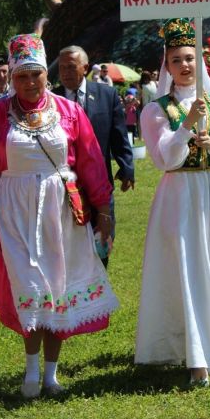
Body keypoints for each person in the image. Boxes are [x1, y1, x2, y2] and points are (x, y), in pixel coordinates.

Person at [0, 33, 119, 398]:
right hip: (14, 211)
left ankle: (50, 375)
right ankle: (31, 373)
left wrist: (102, 208)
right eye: (22, 76)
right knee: (30, 287)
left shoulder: (69, 112)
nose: (29, 82)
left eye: (35, 74)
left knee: (59, 287)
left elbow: (91, 161)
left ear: (45, 75)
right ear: (12, 78)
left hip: (61, 209)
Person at [134, 18, 210, 386]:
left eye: (189, 58)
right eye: (176, 60)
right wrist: (186, 127)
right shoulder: (155, 111)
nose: (184, 65)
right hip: (179, 197)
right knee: (186, 270)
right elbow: (165, 159)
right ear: (166, 66)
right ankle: (194, 357)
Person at [54, 45, 135, 268]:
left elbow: (119, 136)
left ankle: (100, 289)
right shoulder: (51, 99)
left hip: (99, 182)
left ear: (85, 68)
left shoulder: (106, 95)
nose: (66, 73)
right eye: (61, 68)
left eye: (71, 67)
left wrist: (127, 168)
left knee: (102, 239)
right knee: (67, 243)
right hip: (64, 184)